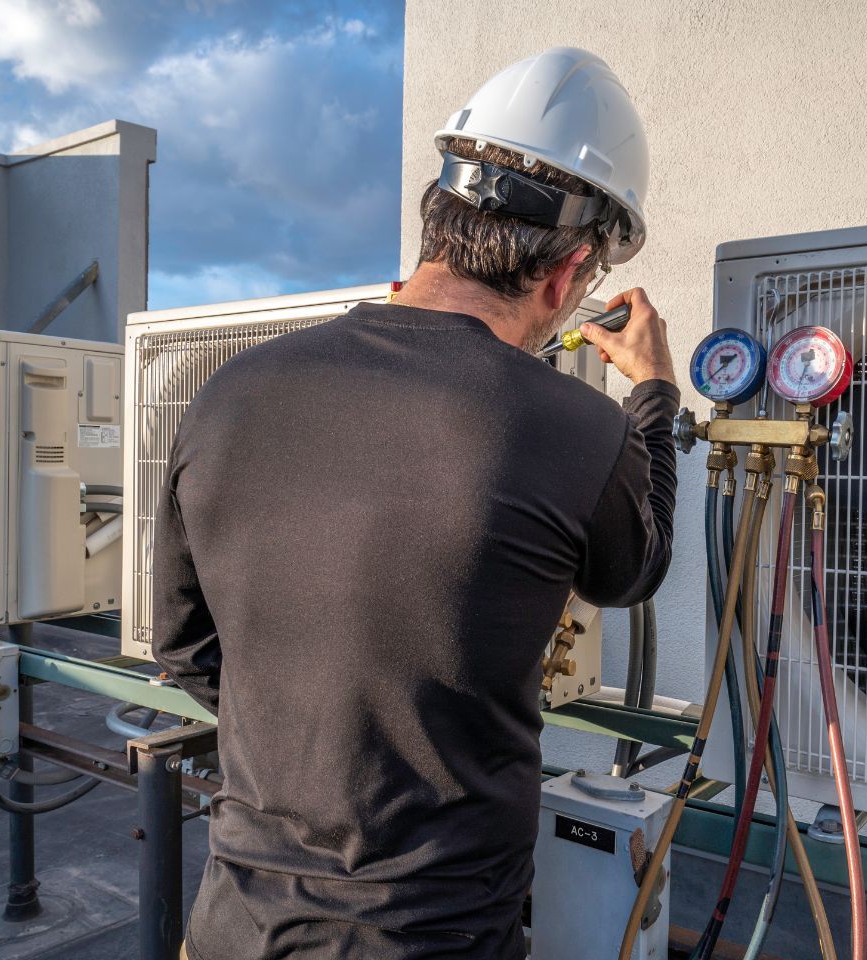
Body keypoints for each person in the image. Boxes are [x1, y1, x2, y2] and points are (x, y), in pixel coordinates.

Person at [153, 47, 677, 960]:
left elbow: (186, 650)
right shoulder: (575, 428)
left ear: (437, 220)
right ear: (570, 274)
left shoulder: (230, 391)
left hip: (234, 924)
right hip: (433, 937)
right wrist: (654, 397)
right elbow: (634, 569)